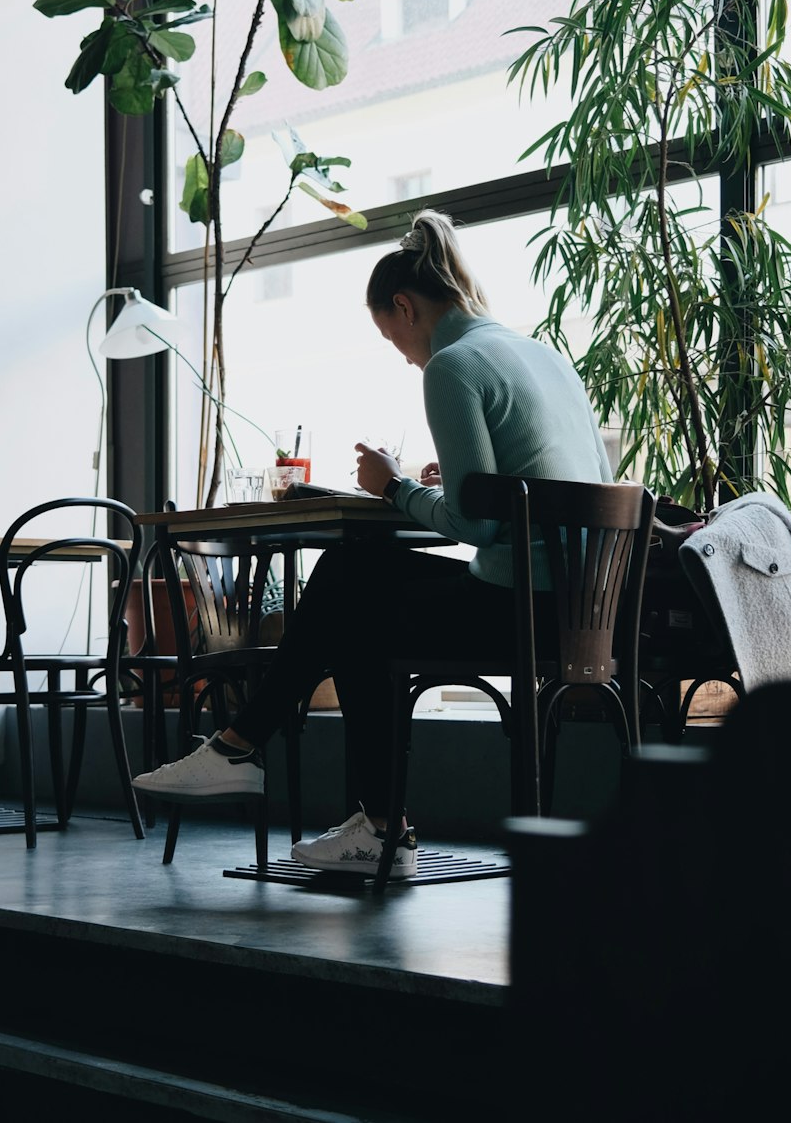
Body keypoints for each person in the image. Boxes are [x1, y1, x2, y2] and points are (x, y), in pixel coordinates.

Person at [132, 210, 614, 876]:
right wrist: (459, 485)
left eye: (394, 338)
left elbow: (474, 528)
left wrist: (391, 486)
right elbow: (529, 493)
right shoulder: (541, 356)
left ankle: (261, 760)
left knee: (348, 578)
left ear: (404, 306)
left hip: (517, 612)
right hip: (582, 612)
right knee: (357, 592)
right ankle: (334, 806)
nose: (405, 353)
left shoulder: (453, 364)